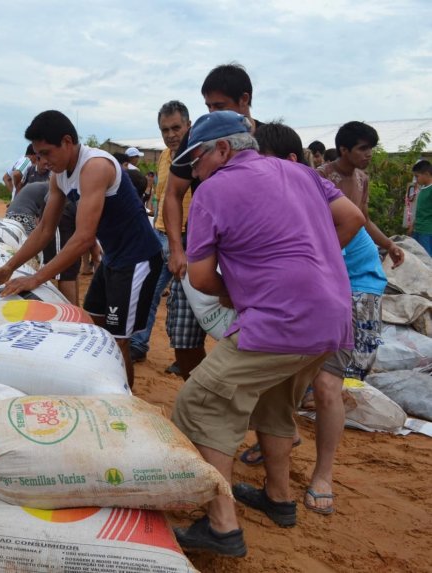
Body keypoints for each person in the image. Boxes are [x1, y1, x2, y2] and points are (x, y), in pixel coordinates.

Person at [169, 111, 364, 557]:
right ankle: (279, 498)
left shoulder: (213, 190)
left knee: (200, 403)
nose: (193, 170)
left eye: (195, 159)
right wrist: (311, 266)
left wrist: (241, 291)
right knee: (276, 399)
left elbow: (199, 278)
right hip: (331, 318)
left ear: (222, 149)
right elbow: (351, 217)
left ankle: (221, 527)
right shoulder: (301, 172)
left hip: (280, 320)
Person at [241, 121, 387, 516]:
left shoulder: (310, 190)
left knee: (325, 385)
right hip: (320, 285)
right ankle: (278, 439)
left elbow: (354, 221)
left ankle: (323, 475)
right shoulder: (273, 193)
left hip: (353, 286)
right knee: (280, 369)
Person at [0, 110, 163, 385]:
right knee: (94, 329)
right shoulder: (59, 176)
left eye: (46, 153)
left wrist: (36, 278)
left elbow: (83, 237)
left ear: (67, 142)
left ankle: (125, 402)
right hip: (113, 258)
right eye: (38, 155)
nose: (42, 162)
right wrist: (9, 268)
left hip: (137, 258)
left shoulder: (95, 167)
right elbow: (44, 229)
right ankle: (104, 388)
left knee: (118, 342)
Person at [162, 63, 260, 380]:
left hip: (250, 256)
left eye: (219, 106)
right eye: (207, 107)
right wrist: (177, 249)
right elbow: (173, 194)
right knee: (183, 334)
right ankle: (198, 391)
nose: (212, 114)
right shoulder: (198, 137)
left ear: (244, 100)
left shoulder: (269, 139)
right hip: (199, 251)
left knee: (255, 342)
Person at [130, 100, 192, 364]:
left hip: (191, 241)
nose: (170, 135)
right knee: (149, 291)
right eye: (164, 130)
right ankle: (138, 343)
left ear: (188, 125)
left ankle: (188, 356)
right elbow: (162, 196)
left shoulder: (199, 155)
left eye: (176, 127)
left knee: (191, 302)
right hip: (162, 235)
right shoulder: (166, 157)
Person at [318, 121, 404, 269]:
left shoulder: (362, 178)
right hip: (324, 251)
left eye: (371, 148)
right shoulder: (321, 176)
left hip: (352, 250)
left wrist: (390, 245)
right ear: (344, 150)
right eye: (363, 148)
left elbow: (364, 220)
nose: (369, 154)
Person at [409, 159, 432, 256]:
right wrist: (412, 226)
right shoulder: (423, 189)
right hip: (418, 229)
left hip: (427, 231)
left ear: (426, 174)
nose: (416, 179)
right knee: (417, 256)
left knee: (426, 258)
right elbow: (421, 211)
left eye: (417, 176)